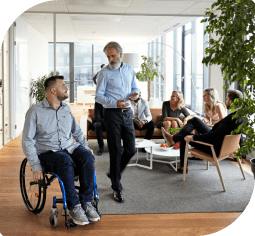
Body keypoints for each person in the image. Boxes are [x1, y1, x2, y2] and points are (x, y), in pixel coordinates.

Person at [22, 76, 100, 226]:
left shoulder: (66, 109)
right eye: (63, 85)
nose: (66, 88)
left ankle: (86, 203)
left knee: (87, 157)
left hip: (69, 148)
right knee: (64, 161)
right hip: (48, 153)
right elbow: (27, 141)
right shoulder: (35, 112)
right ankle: (74, 206)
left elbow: (76, 132)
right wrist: (36, 166)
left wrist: (85, 146)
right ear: (53, 90)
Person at [95, 41, 139, 203]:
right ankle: (116, 186)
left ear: (120, 54)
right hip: (111, 114)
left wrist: (136, 94)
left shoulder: (129, 70)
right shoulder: (104, 73)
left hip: (127, 113)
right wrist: (115, 103)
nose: (110, 59)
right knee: (116, 150)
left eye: (113, 55)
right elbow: (98, 97)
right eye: (108, 56)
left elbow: (135, 87)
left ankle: (114, 173)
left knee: (131, 149)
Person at [161, 89, 244, 174]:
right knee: (195, 120)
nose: (225, 101)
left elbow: (214, 136)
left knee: (184, 136)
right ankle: (174, 140)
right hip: (219, 142)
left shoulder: (231, 119)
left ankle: (181, 162)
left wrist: (193, 137)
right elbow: (219, 131)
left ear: (231, 101)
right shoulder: (240, 117)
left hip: (213, 147)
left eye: (226, 99)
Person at [92, 64, 106, 156]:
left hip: (111, 122)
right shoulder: (98, 102)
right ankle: (101, 147)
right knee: (97, 124)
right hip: (103, 123)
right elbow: (97, 117)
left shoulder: (112, 101)